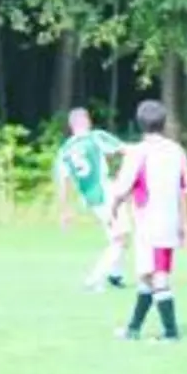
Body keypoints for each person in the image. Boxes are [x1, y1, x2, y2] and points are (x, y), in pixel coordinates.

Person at [107, 100, 187, 342]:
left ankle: (171, 333)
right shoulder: (176, 150)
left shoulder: (138, 153)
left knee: (157, 276)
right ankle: (133, 329)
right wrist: (184, 223)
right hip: (169, 221)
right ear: (164, 123)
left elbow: (122, 187)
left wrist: (113, 208)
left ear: (139, 123)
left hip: (148, 222)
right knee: (147, 275)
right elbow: (185, 188)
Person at [54, 108, 130, 291]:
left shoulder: (64, 150)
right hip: (106, 193)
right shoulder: (95, 137)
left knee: (120, 235)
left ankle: (116, 275)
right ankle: (94, 279)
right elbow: (125, 150)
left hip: (90, 198)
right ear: (86, 121)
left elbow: (63, 182)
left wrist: (65, 211)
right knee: (119, 238)